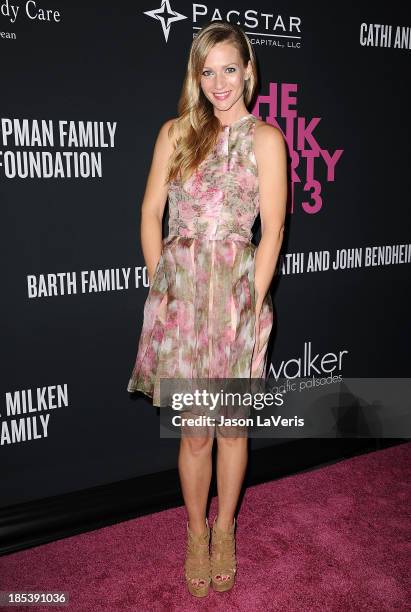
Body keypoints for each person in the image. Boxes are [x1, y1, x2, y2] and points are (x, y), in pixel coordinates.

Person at [127, 20, 287, 597]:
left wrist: (250, 303)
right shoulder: (175, 133)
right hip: (183, 303)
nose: (219, 82)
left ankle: (226, 530)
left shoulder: (267, 139)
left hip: (238, 302)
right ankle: (196, 533)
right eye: (207, 71)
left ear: (248, 71)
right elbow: (151, 214)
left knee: (232, 432)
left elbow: (271, 232)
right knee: (195, 433)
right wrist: (163, 285)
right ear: (197, 76)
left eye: (229, 68)